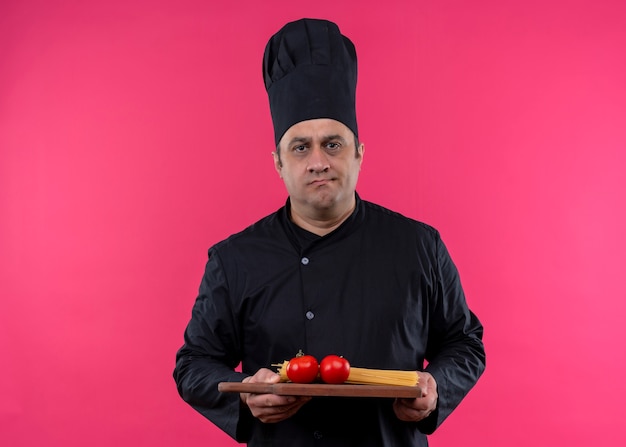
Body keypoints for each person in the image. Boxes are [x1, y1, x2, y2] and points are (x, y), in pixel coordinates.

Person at [173, 18, 486, 446]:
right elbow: (193, 364)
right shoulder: (234, 259)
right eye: (300, 147)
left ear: (359, 153)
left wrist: (436, 389)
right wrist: (246, 398)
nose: (318, 161)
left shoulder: (418, 246)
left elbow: (464, 342)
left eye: (333, 144)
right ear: (279, 163)